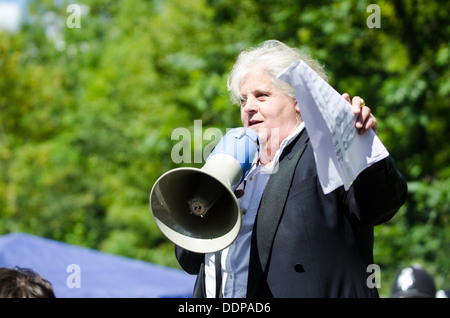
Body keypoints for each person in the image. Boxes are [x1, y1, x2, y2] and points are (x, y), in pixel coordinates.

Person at [175, 40, 408, 297]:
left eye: (261, 95)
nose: (248, 107)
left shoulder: (325, 146)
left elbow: (379, 205)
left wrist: (363, 146)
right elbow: (188, 258)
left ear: (299, 100)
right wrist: (211, 200)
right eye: (243, 100)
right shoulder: (233, 164)